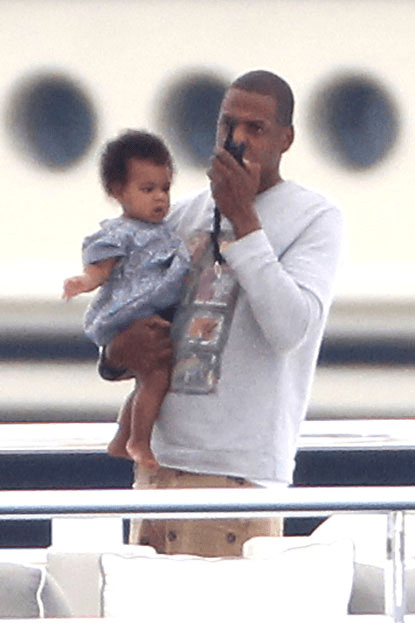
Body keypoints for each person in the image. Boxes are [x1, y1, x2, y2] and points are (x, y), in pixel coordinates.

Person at [100, 70, 343, 557]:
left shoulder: (316, 218)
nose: (237, 139)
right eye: (227, 124)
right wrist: (116, 353)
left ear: (285, 139)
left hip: (236, 478)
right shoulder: (181, 215)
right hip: (157, 471)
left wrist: (244, 220)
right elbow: (127, 324)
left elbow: (290, 328)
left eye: (256, 128)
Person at [63, 130, 189, 470]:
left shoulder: (164, 229)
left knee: (146, 379)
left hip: (153, 306)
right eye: (147, 190)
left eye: (165, 189)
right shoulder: (120, 232)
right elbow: (100, 269)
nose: (160, 198)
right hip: (132, 309)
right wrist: (84, 282)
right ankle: (139, 441)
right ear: (118, 192)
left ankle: (122, 438)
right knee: (157, 377)